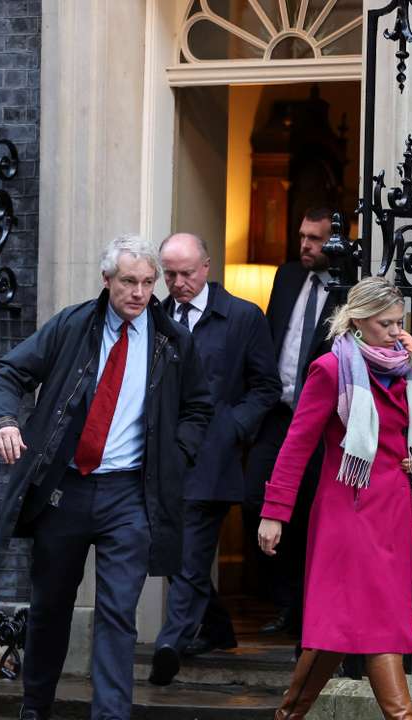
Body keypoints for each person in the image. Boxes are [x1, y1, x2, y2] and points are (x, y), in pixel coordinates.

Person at [0, 233, 214, 720]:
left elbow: (199, 406)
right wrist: (4, 421)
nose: (139, 292)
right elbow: (10, 372)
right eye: (129, 281)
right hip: (65, 491)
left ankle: (111, 715)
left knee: (117, 614)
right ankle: (35, 706)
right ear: (107, 279)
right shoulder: (72, 326)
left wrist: (175, 455)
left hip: (129, 494)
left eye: (148, 283)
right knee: (50, 607)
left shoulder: (172, 340)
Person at [257, 276, 412, 720]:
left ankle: (287, 715)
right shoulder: (331, 369)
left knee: (343, 628)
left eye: (400, 323)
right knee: (378, 626)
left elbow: (411, 437)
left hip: (392, 511)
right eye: (386, 324)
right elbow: (296, 445)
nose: (397, 332)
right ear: (357, 322)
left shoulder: (405, 365)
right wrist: (274, 513)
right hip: (348, 512)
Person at [148, 233, 281, 685]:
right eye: (170, 274)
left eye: (186, 273)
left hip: (212, 457)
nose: (178, 282)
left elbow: (267, 387)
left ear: (207, 267)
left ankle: (170, 643)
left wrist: (231, 428)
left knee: (188, 555)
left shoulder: (243, 317)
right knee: (171, 551)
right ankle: (219, 626)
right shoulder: (154, 317)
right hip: (163, 456)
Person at [244, 207, 345, 636]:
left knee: (306, 513)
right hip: (277, 414)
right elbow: (272, 336)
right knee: (253, 500)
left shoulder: (348, 287)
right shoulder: (286, 277)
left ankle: (304, 612)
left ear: (335, 242)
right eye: (303, 236)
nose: (305, 245)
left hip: (319, 424)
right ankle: (283, 599)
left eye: (316, 240)